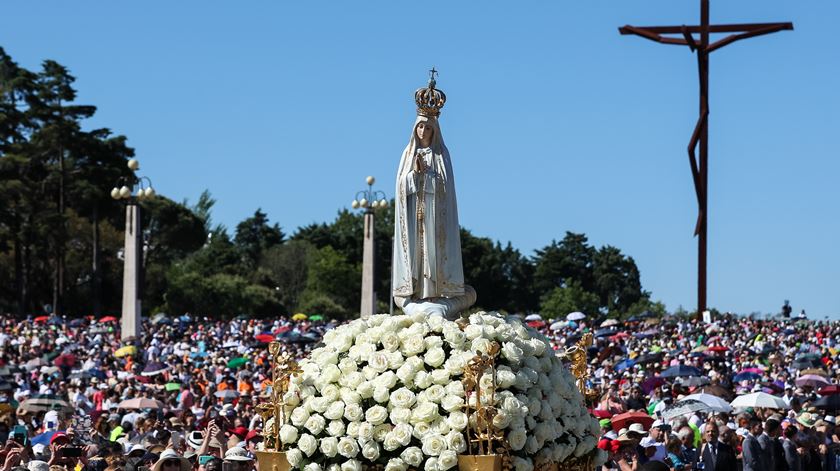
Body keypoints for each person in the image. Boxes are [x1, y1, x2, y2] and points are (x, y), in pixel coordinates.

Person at [392, 74, 474, 318]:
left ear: (434, 129)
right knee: (417, 253)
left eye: (428, 127)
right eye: (420, 126)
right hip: (414, 215)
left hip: (434, 216)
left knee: (432, 251)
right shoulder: (407, 154)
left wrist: (426, 176)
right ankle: (416, 291)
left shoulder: (440, 155)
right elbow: (400, 187)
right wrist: (413, 177)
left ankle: (436, 292)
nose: (423, 131)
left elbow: (445, 188)